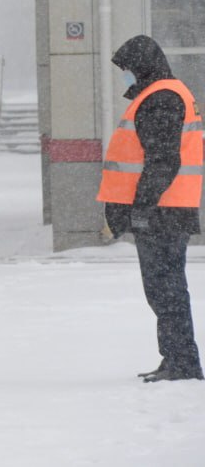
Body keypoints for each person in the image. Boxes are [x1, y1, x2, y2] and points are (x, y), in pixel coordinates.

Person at [98, 35, 203, 382]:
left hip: (163, 211)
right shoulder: (159, 94)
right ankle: (175, 358)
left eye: (127, 68)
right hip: (164, 209)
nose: (125, 75)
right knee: (163, 289)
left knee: (166, 289)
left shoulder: (162, 98)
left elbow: (162, 160)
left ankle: (182, 363)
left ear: (142, 65)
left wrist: (141, 206)